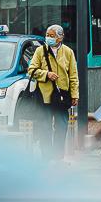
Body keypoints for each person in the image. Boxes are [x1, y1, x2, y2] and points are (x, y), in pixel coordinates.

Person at [27, 24, 79, 156]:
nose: (48, 38)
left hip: (62, 95)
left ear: (60, 38)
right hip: (44, 95)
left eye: (52, 36)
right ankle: (47, 155)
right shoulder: (40, 51)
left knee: (62, 126)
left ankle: (57, 155)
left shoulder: (68, 52)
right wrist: (46, 74)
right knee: (44, 127)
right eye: (47, 35)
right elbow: (31, 70)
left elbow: (73, 75)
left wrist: (74, 95)